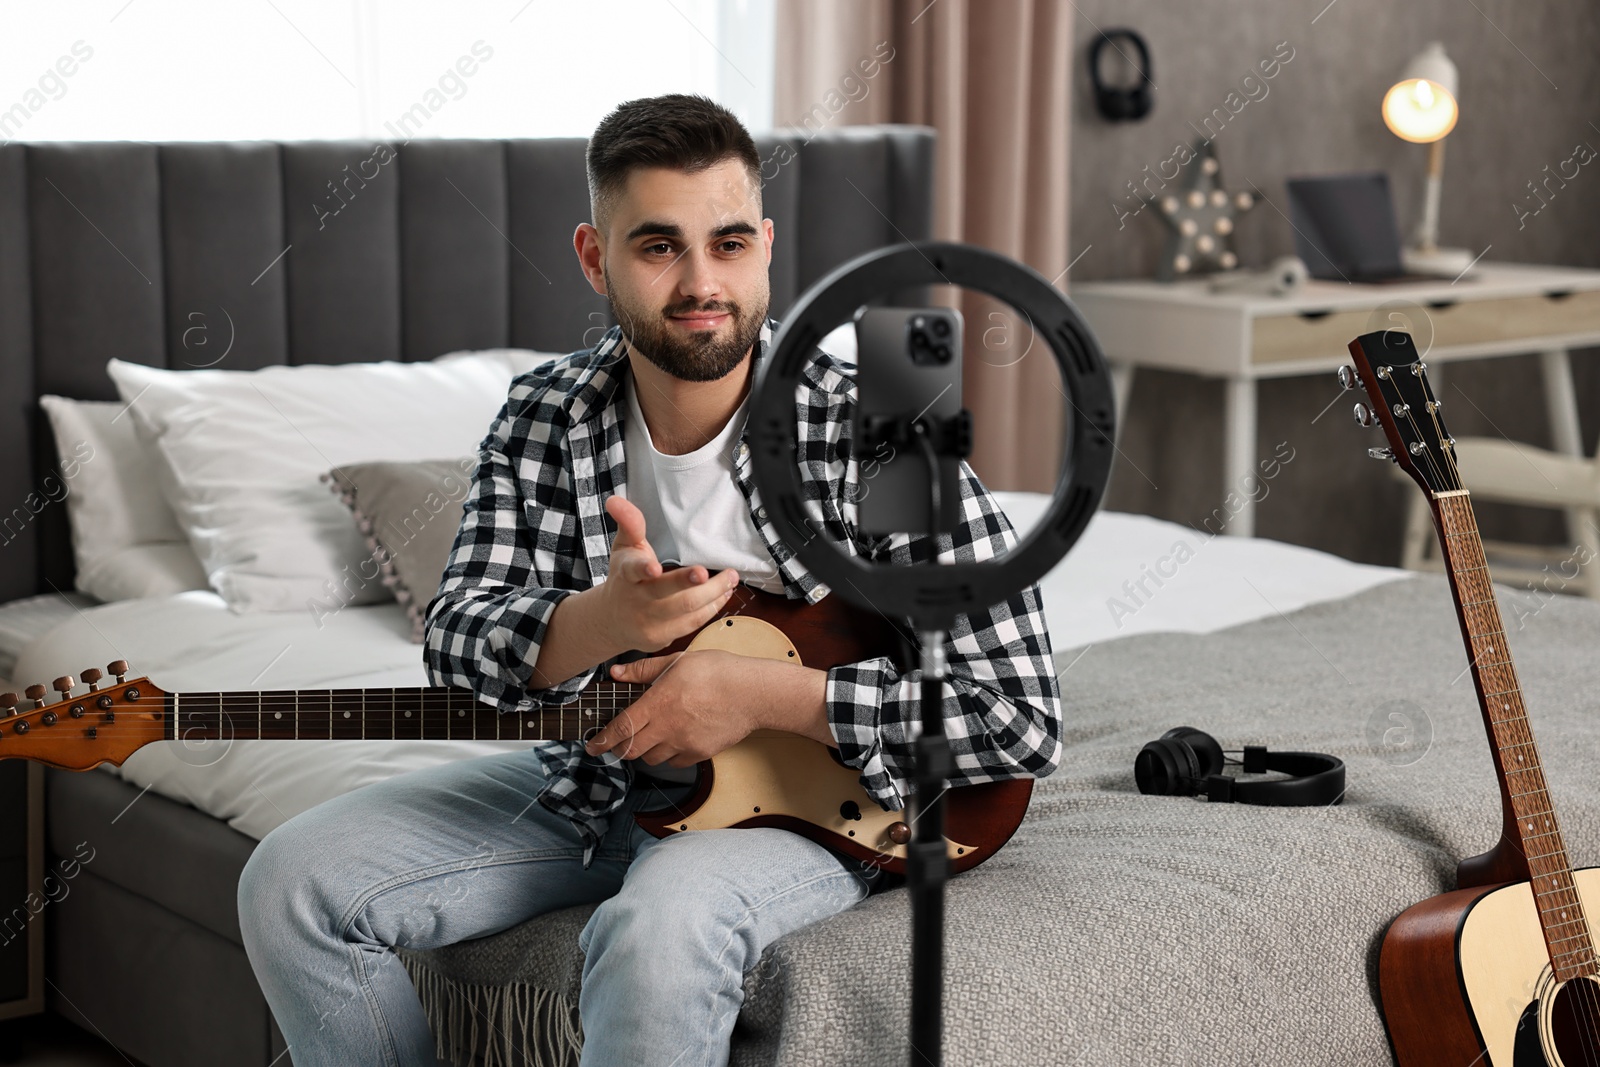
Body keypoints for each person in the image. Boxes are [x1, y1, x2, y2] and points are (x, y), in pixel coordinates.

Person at [238, 92, 1062, 1067]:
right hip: (598, 781)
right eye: (658, 246)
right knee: (289, 881)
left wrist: (765, 692)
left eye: (725, 243)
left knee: (654, 931)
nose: (699, 280)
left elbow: (1017, 717)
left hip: (820, 803)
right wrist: (594, 620)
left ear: (764, 246)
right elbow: (457, 645)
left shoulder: (874, 425)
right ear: (595, 257)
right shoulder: (549, 413)